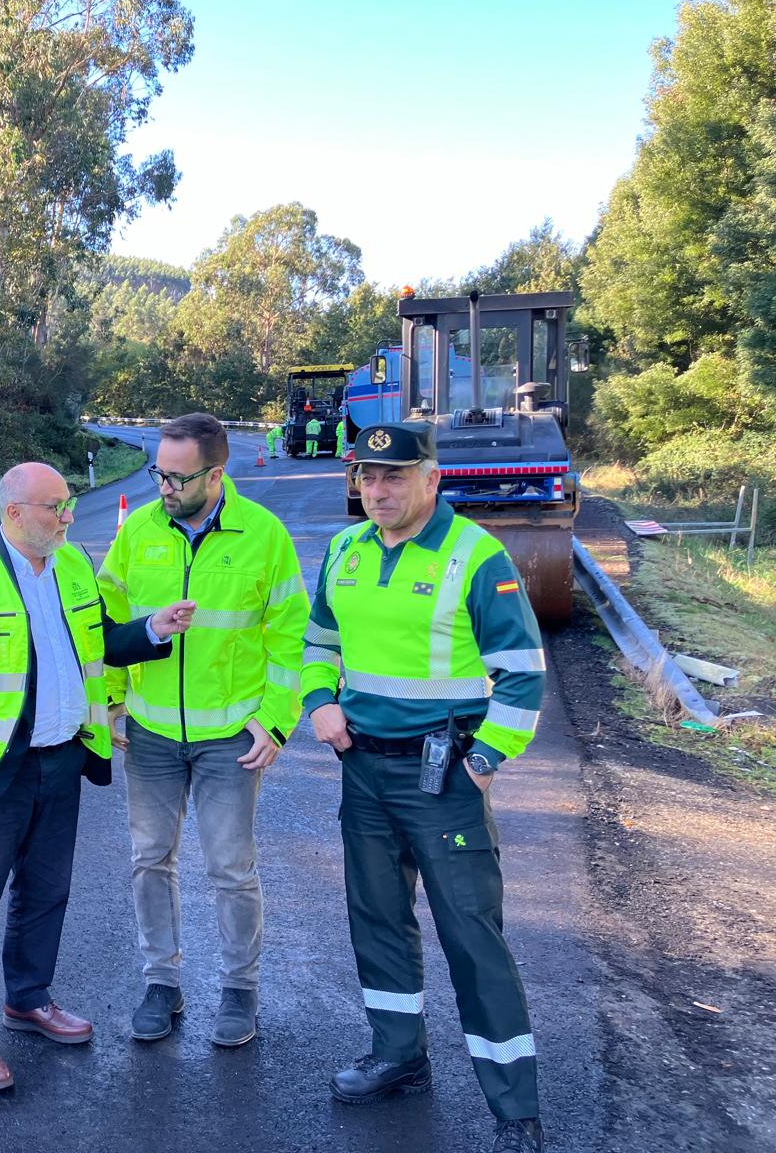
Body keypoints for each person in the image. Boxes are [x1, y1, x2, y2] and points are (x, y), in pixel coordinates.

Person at [299, 422, 548, 1153]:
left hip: (444, 776)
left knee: (473, 938)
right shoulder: (345, 550)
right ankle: (398, 1055)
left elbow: (523, 669)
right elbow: (318, 641)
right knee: (376, 919)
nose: (376, 491)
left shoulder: (477, 556)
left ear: (431, 480)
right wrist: (320, 702)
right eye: (367, 478)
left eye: (393, 478)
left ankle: (514, 1107)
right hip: (364, 769)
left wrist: (487, 759)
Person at [0, 462, 195, 1092]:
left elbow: (98, 647)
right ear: (15, 513)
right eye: (55, 507)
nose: (68, 516)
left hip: (64, 760)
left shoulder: (73, 566)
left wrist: (152, 629)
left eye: (68, 504)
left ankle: (28, 999)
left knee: (47, 894)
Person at [97, 413, 308, 1047]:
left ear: (216, 474)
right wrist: (111, 703)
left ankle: (239, 992)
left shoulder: (263, 536)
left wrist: (274, 720)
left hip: (230, 741)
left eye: (177, 477)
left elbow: (291, 638)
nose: (163, 485)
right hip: (152, 735)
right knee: (149, 860)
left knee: (230, 868)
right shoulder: (137, 532)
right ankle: (161, 984)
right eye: (158, 472)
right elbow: (104, 624)